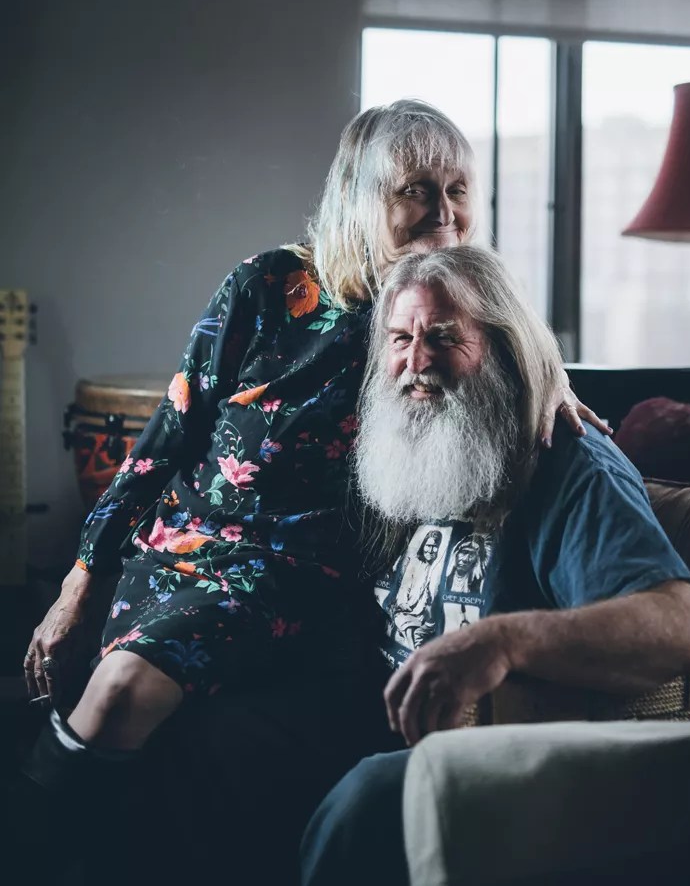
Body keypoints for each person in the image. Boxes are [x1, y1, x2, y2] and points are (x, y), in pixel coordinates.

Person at [13, 101, 608, 883]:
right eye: (417, 189)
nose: (444, 211)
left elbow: (523, 346)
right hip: (177, 550)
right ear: (361, 196)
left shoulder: (444, 310)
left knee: (121, 689)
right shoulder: (266, 285)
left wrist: (555, 378)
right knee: (110, 706)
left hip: (298, 576)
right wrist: (80, 578)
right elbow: (166, 438)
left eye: (459, 188)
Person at [299, 244, 690, 886]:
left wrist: (501, 641)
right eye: (401, 339)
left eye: (443, 337)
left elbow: (679, 629)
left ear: (504, 347)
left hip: (488, 749)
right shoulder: (396, 446)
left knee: (370, 799)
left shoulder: (568, 461)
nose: (416, 362)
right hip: (363, 710)